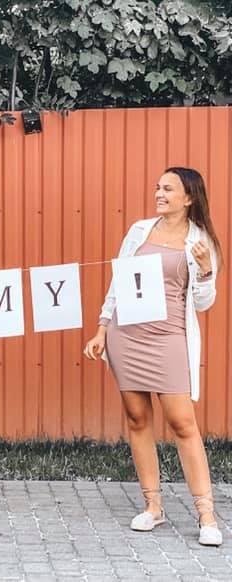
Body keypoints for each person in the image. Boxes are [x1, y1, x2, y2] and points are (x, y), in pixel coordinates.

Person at [84, 167, 222, 546]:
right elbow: (119, 282)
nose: (159, 194)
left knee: (182, 423)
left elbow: (203, 303)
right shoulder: (139, 231)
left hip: (169, 337)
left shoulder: (200, 241)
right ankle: (152, 507)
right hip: (127, 336)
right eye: (158, 188)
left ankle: (206, 515)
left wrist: (206, 272)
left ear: (188, 198)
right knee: (137, 418)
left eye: (168, 189)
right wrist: (102, 328)